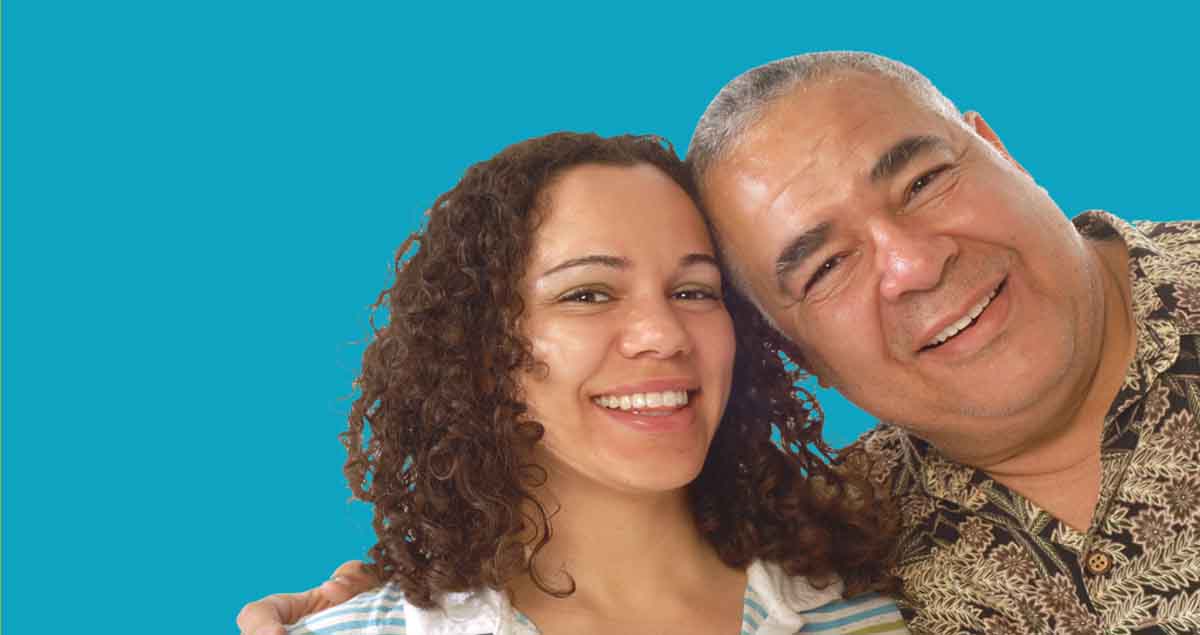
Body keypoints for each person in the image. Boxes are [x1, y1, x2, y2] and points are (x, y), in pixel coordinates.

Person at [247, 51, 1200, 634]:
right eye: (821, 267)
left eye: (921, 182)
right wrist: (394, 594)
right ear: (786, 342)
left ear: (996, 144)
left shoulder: (838, 581)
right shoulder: (858, 535)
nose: (909, 264)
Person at [242, 131, 907, 635]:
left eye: (694, 290)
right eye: (588, 294)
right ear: (481, 347)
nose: (663, 332)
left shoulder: (882, 608)